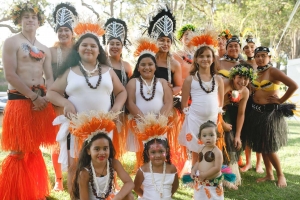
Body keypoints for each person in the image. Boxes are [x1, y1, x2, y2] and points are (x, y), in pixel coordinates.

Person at [47, 20, 127, 194]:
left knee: (104, 165)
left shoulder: (108, 71)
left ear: (99, 50)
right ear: (77, 49)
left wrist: (116, 108)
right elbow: (51, 92)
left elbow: (122, 92)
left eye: (93, 45)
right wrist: (66, 103)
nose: (89, 48)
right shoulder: (69, 70)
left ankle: (103, 196)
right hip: (77, 127)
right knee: (75, 166)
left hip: (104, 127)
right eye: (84, 45)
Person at [0, 2, 57, 199]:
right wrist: (33, 96)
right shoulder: (11, 42)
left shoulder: (44, 48)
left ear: (39, 21)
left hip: (40, 104)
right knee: (18, 151)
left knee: (33, 149)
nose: (30, 19)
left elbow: (49, 78)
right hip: (19, 101)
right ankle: (14, 194)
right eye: (25, 16)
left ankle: (33, 192)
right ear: (19, 20)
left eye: (33, 16)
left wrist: (47, 97)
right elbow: (10, 74)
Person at [243, 47, 298, 187]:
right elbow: (253, 89)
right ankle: (269, 174)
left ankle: (281, 175)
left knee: (268, 146)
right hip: (256, 112)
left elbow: (293, 85)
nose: (260, 58)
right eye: (258, 56)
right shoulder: (255, 72)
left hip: (270, 113)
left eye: (263, 56)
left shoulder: (273, 71)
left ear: (269, 57)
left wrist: (281, 100)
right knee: (261, 145)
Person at [126, 37, 173, 167]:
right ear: (138, 68)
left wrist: (158, 121)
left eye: (150, 64)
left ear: (155, 67)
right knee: (142, 153)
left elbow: (168, 102)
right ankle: (143, 179)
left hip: (160, 124)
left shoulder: (162, 82)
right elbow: (130, 103)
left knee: (159, 151)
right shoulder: (133, 82)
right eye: (143, 64)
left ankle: (160, 176)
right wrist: (144, 122)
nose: (147, 67)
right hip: (140, 124)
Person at [178, 31, 224, 166]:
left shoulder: (218, 79)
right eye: (201, 56)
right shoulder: (190, 79)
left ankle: (209, 172)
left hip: (212, 119)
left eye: (208, 56)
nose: (205, 59)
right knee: (195, 148)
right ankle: (194, 173)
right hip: (194, 118)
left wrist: (219, 117)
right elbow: (184, 102)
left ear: (213, 58)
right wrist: (188, 115)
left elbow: (220, 103)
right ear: (196, 59)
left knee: (210, 147)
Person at [70, 111, 134, 200]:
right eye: (97, 149)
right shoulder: (84, 173)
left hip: (110, 198)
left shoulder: (114, 163)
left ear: (109, 148)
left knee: (129, 196)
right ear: (88, 151)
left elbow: (129, 183)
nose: (102, 153)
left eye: (105, 148)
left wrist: (117, 198)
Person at [50, 2, 78, 191]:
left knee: (74, 141)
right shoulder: (50, 52)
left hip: (75, 101)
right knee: (57, 141)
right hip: (55, 100)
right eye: (60, 30)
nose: (63, 34)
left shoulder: (79, 51)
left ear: (72, 32)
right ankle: (59, 179)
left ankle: (75, 175)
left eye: (66, 30)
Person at [221, 63, 256, 188]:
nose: (242, 81)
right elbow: (215, 106)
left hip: (228, 116)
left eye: (246, 78)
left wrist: (237, 135)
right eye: (239, 77)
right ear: (233, 77)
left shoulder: (245, 91)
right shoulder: (225, 84)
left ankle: (227, 178)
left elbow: (241, 114)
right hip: (215, 114)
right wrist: (222, 123)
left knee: (231, 142)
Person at [103, 17, 132, 160]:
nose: (115, 46)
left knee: (117, 143)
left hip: (120, 110)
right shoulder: (101, 63)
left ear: (122, 46)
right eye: (112, 43)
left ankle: (114, 173)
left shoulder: (126, 66)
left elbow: (130, 87)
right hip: (104, 107)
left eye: (118, 43)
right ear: (107, 45)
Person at [133, 114, 179, 199]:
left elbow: (175, 186)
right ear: (147, 153)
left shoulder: (172, 169)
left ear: (167, 151)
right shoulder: (143, 170)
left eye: (161, 151)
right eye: (153, 152)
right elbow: (136, 187)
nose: (157, 155)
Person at [239, 34, 264, 173]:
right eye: (247, 47)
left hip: (259, 103)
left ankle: (259, 163)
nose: (249, 49)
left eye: (252, 47)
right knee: (247, 133)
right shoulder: (242, 64)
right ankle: (248, 162)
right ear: (243, 50)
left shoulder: (261, 63)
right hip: (247, 101)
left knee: (258, 134)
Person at [191, 121, 224, 200]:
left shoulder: (217, 152)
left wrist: (205, 174)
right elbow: (198, 162)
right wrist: (193, 170)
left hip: (213, 184)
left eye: (211, 135)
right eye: (204, 135)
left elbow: (217, 168)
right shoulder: (200, 149)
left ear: (217, 137)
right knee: (200, 197)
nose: (208, 138)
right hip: (201, 182)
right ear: (200, 138)